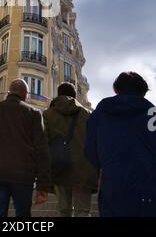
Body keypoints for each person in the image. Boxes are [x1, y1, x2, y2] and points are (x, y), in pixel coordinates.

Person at [85, 71, 156, 217]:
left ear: (116, 90)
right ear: (143, 91)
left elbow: (90, 150)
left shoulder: (100, 114)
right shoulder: (152, 114)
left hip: (112, 186)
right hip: (148, 187)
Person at [0, 78, 50, 217]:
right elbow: (42, 149)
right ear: (25, 94)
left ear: (8, 92)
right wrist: (43, 185)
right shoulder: (33, 113)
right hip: (23, 174)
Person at [43, 82, 98, 217]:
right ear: (74, 95)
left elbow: (43, 143)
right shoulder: (87, 114)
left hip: (59, 166)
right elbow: (95, 141)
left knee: (64, 211)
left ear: (59, 94)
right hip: (84, 167)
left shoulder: (47, 114)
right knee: (83, 211)